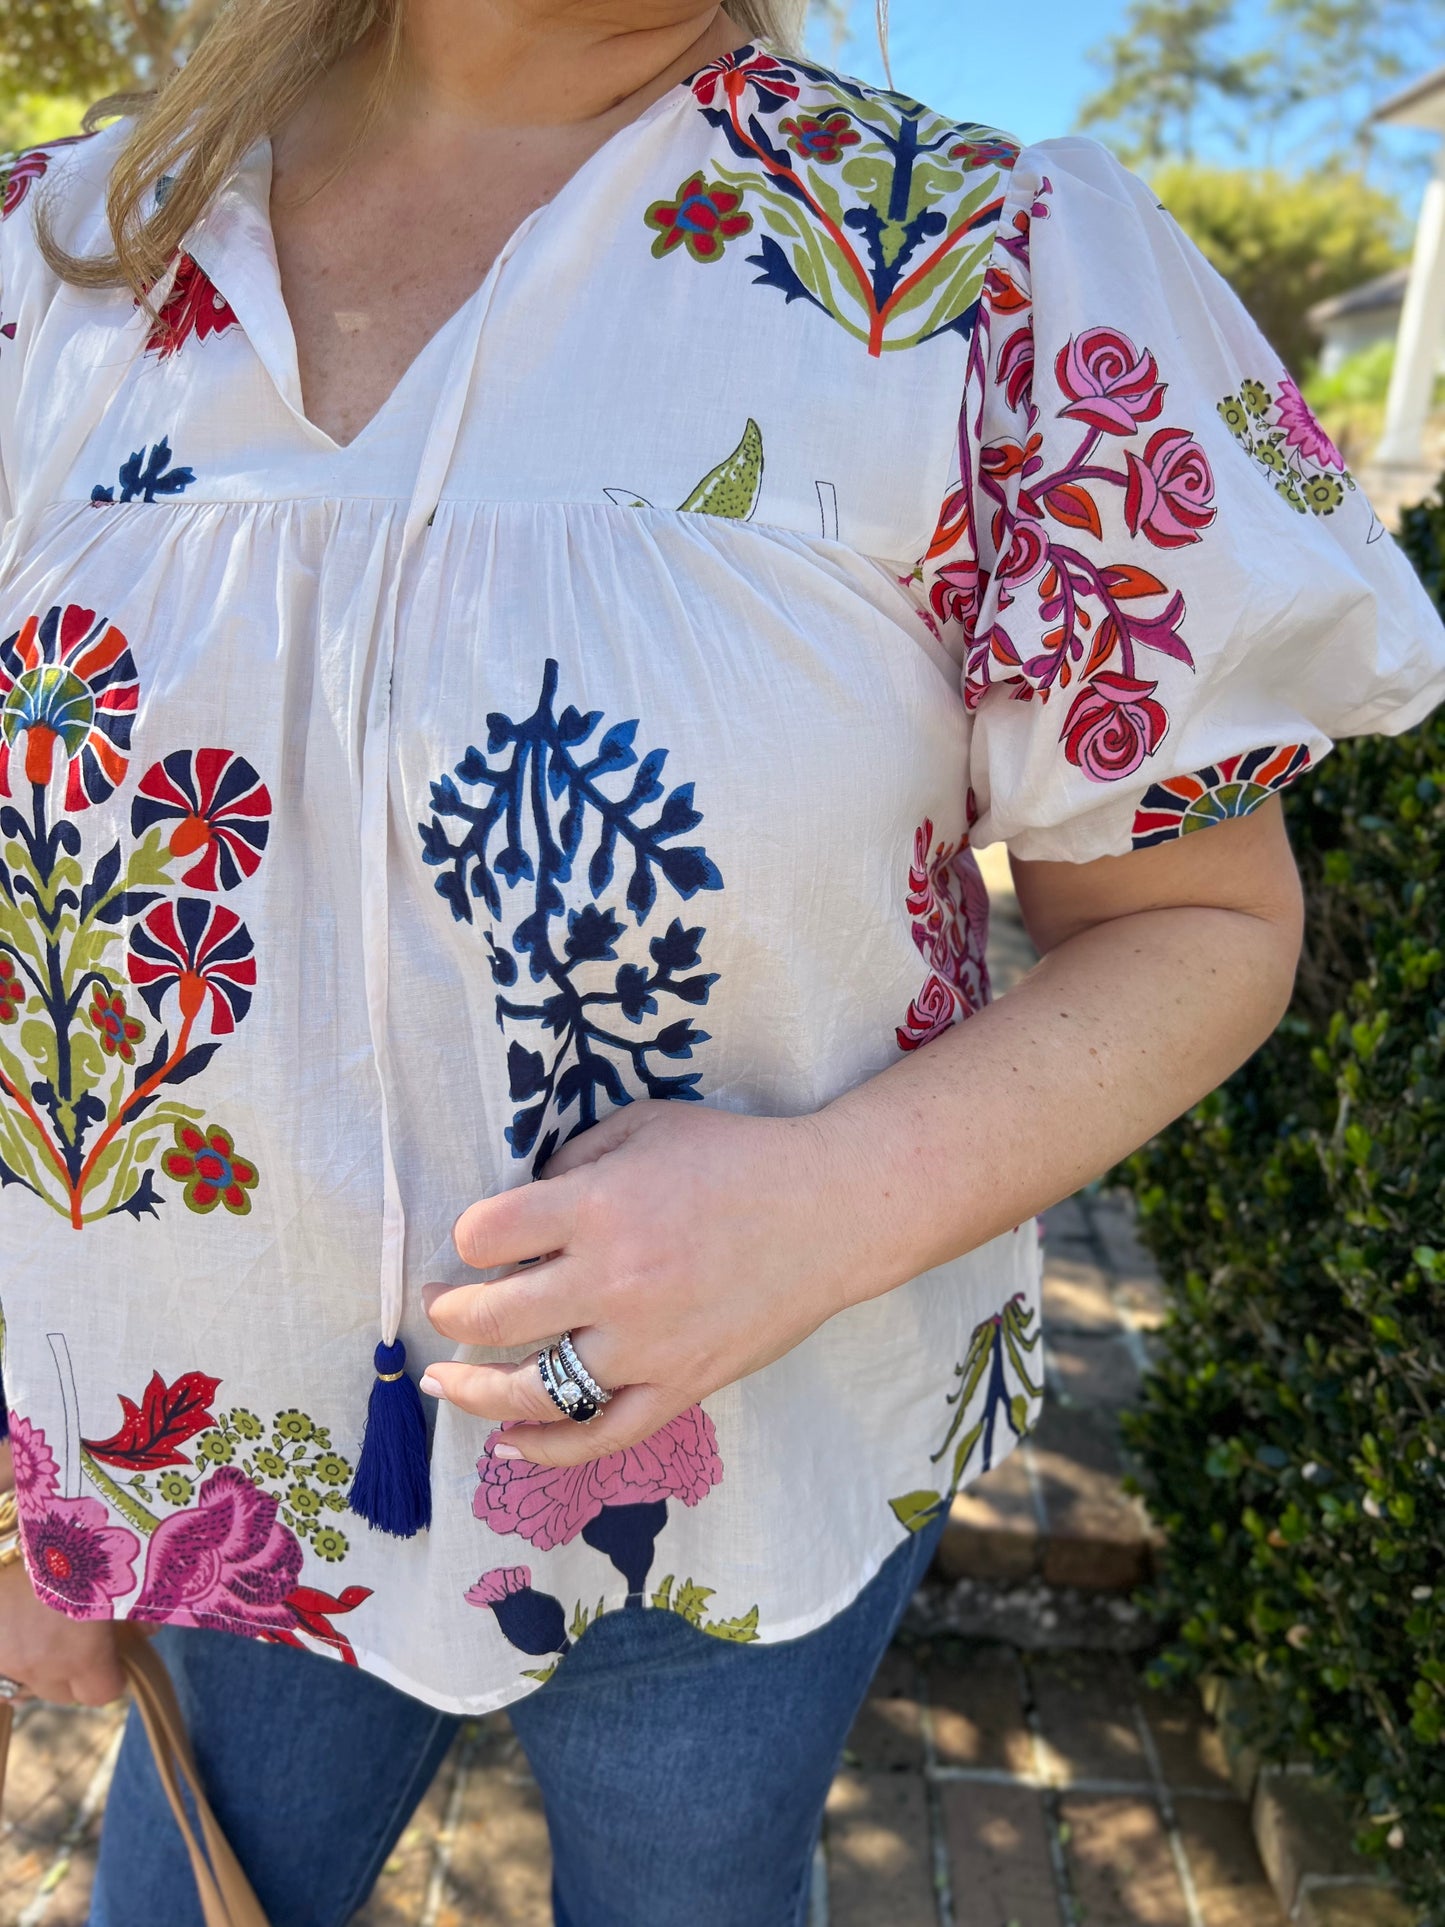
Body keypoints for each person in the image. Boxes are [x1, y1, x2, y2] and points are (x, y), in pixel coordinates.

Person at [0, 2, 1440, 1921]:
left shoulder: (971, 271)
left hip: (749, 1465)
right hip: (197, 1457)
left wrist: (825, 1211)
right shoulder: (59, 260)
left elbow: (1203, 923)